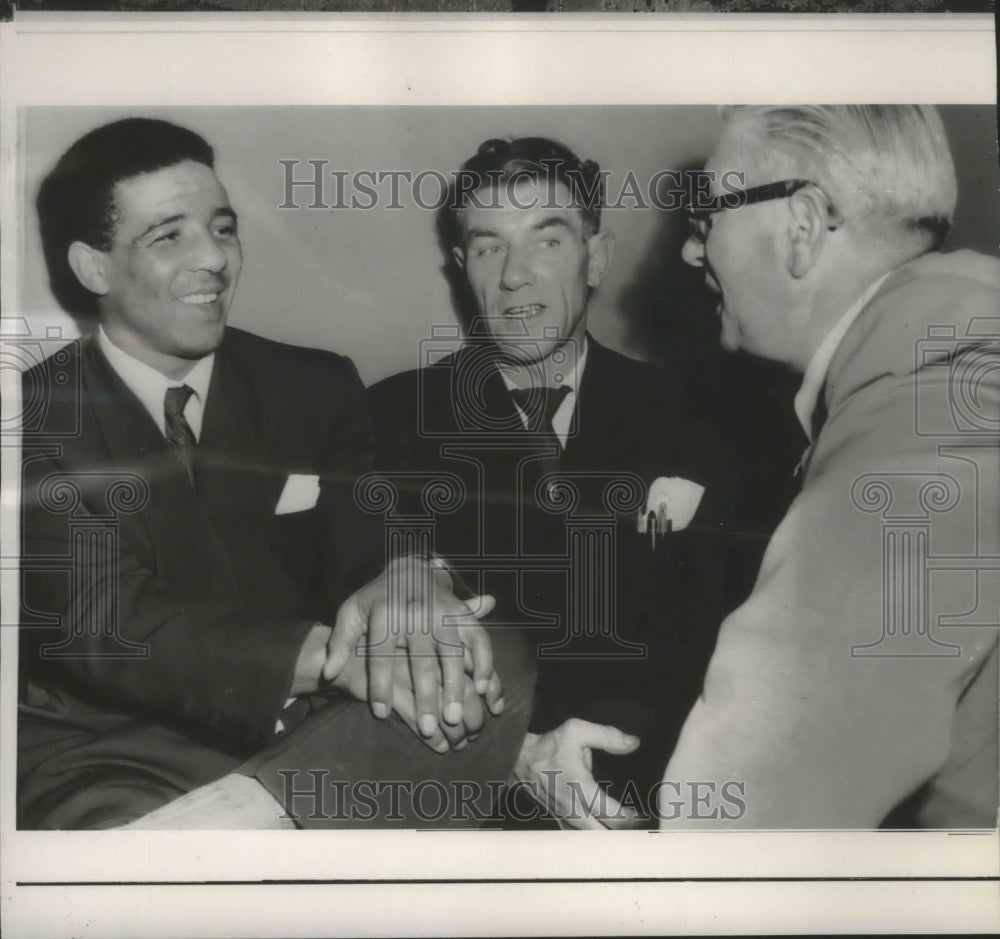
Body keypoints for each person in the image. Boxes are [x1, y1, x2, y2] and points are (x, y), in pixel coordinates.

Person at [18, 117, 534, 830]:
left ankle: (256, 819)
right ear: (94, 267)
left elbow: (367, 513)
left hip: (305, 735)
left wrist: (405, 576)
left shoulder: (313, 384)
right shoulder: (28, 417)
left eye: (224, 228)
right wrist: (336, 657)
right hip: (110, 750)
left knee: (489, 645)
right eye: (170, 236)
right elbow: (108, 620)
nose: (216, 259)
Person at [369, 137, 740, 828]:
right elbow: (378, 633)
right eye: (488, 247)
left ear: (595, 256)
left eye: (547, 241)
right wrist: (517, 753)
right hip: (464, 792)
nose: (515, 277)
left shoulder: (699, 416)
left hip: (656, 787)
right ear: (461, 266)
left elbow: (720, 632)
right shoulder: (387, 417)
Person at [659, 105, 999, 828]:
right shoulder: (937, 354)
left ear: (803, 226)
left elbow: (759, 795)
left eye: (706, 216)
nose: (693, 252)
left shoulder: (932, 384)